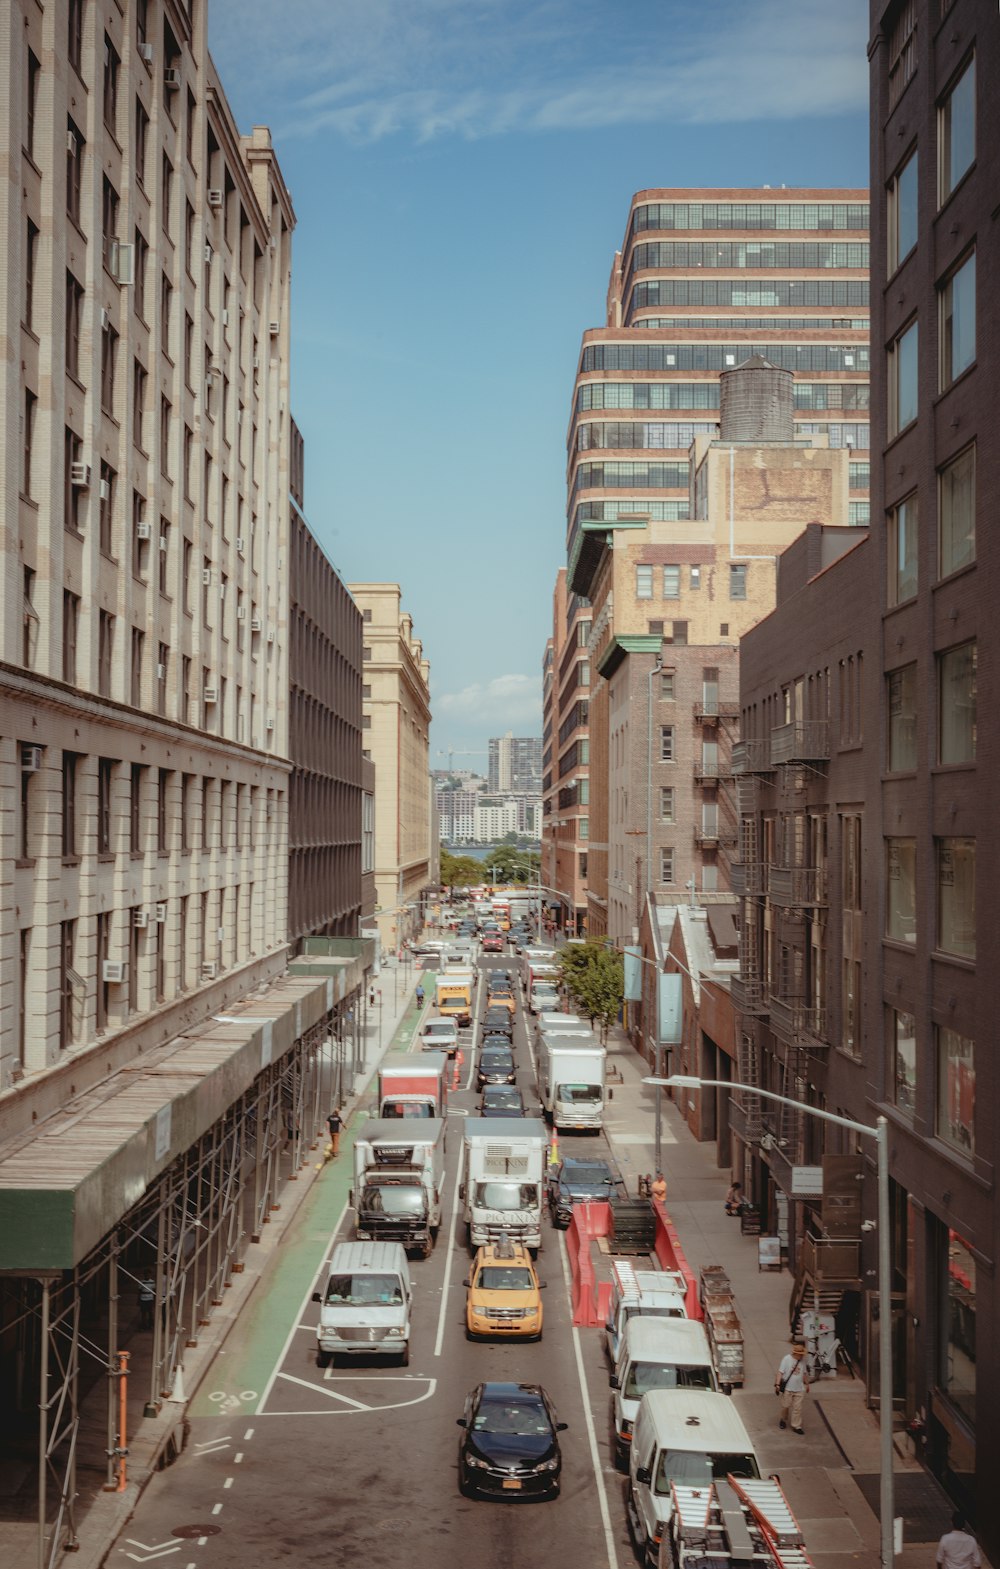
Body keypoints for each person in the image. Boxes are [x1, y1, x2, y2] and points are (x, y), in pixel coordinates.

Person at [775, 1342, 809, 1433]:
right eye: (800, 1355)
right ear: (796, 1353)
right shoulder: (786, 1359)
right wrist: (777, 1384)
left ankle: (796, 1426)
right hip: (788, 1388)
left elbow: (804, 1373)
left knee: (797, 1408)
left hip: (799, 1388)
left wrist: (807, 1384)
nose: (802, 1356)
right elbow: (780, 1372)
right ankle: (783, 1419)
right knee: (785, 1406)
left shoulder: (803, 1361)